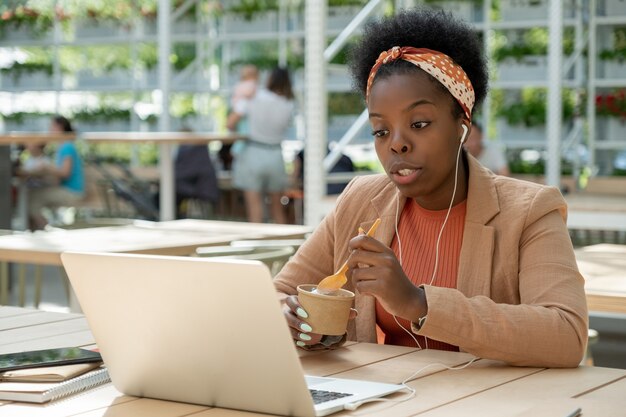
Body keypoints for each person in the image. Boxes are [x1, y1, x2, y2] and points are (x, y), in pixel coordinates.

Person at [274, 8, 587, 368]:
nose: (397, 144)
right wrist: (294, 317)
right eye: (381, 130)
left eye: (419, 123)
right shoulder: (360, 200)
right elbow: (279, 293)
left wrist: (418, 304)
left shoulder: (529, 211)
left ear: (462, 125)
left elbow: (566, 334)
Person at [227, 67, 295, 224]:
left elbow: (230, 123)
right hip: (276, 155)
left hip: (253, 152)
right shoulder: (288, 104)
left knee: (254, 208)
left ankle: (255, 246)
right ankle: (284, 245)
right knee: (277, 209)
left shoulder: (255, 97)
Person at [24, 116, 85, 230]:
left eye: (52, 126)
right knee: (33, 195)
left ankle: (47, 230)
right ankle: (40, 229)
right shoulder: (63, 146)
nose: (50, 129)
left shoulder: (66, 146)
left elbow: (65, 173)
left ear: (60, 127)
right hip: (67, 189)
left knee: (32, 197)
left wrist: (47, 167)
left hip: (72, 192)